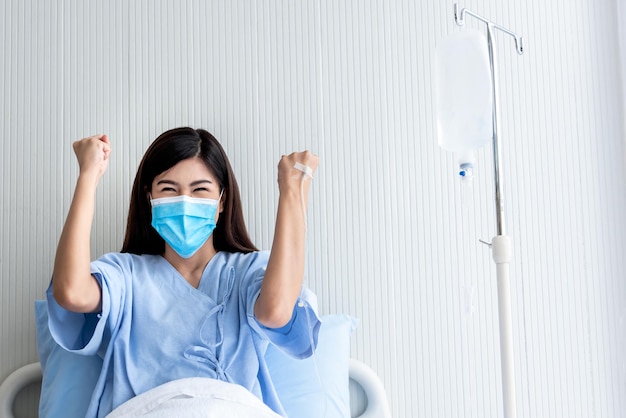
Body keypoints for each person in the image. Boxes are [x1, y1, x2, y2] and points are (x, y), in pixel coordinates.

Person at [47, 127, 321, 417]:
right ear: (149, 198)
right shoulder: (125, 275)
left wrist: (292, 189)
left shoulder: (248, 271)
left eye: (200, 189)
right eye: (168, 189)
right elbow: (72, 292)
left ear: (222, 200)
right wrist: (88, 176)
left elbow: (277, 311)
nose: (185, 201)